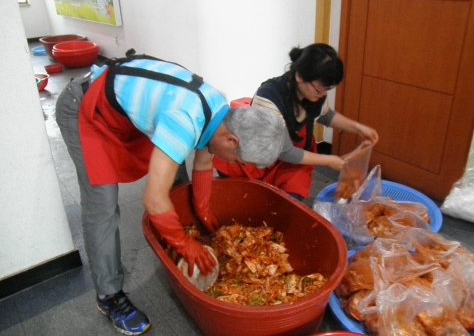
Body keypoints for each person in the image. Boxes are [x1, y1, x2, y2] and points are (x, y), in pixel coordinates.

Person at [55, 50, 285, 335]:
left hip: (121, 106)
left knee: (176, 176)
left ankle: (176, 237)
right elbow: (152, 199)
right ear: (231, 138)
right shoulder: (185, 119)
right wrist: (185, 244)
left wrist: (203, 209)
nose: (236, 164)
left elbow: (204, 158)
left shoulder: (220, 111)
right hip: (85, 108)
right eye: (239, 158)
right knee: (102, 204)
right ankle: (109, 296)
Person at [213, 43, 378, 201]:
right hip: (255, 156)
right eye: (319, 89)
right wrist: (329, 160)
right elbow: (285, 152)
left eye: (327, 90)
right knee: (245, 196)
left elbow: (325, 115)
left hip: (288, 156)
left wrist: (358, 128)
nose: (322, 95)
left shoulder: (313, 93)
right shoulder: (269, 98)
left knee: (291, 195)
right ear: (299, 76)